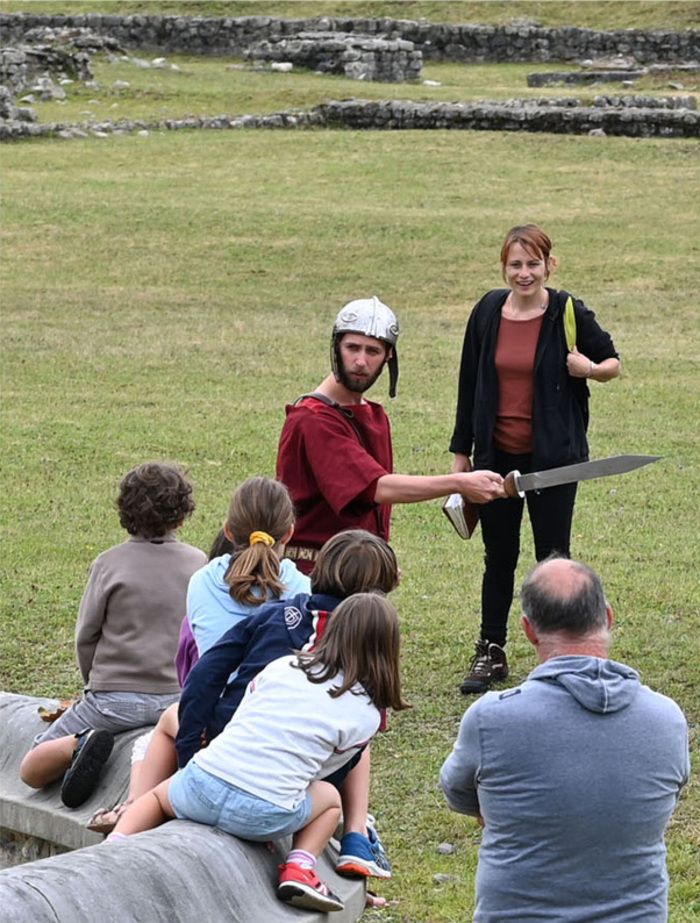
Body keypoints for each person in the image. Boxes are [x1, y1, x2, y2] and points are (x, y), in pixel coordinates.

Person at [109, 593, 409, 915]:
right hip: (266, 815)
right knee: (330, 800)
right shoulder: (366, 714)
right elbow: (325, 773)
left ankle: (114, 845)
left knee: (155, 797)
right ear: (388, 651)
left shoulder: (282, 666)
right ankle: (300, 867)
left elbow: (242, 717)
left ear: (331, 631)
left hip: (201, 785)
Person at [440, 557, 690, 923]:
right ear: (608, 616)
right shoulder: (666, 718)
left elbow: (458, 793)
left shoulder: (491, 719)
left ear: (528, 630)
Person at [449, 225, 621, 693]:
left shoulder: (567, 311)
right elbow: (470, 384)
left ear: (550, 265)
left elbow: (612, 363)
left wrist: (588, 369)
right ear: (504, 267)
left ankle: (562, 654)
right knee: (498, 557)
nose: (524, 273)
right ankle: (491, 650)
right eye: (515, 265)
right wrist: (461, 455)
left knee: (554, 559)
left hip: (554, 462)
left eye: (533, 264)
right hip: (496, 458)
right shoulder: (487, 311)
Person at [87, 477, 309, 832]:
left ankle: (132, 808)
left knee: (163, 727)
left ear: (227, 530)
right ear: (290, 533)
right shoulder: (301, 589)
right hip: (279, 727)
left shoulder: (203, 581)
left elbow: (205, 665)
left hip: (219, 721)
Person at [176, 529, 399, 881]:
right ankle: (355, 836)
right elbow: (344, 749)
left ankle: (131, 809)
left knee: (164, 723)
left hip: (227, 737)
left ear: (318, 570)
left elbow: (205, 675)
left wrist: (189, 754)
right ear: (381, 594)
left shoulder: (276, 613)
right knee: (359, 738)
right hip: (280, 766)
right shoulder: (363, 645)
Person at [19, 462, 207, 808]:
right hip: (174, 699)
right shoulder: (199, 564)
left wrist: (94, 684)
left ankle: (82, 742)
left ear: (125, 511)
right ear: (183, 514)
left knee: (31, 766)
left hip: (112, 701)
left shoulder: (109, 564)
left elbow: (86, 637)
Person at [277, 295, 505, 574]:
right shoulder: (312, 419)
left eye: (372, 351)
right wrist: (458, 483)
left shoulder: (374, 415)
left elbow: (375, 507)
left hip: (355, 568)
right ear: (336, 348)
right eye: (352, 348)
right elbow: (377, 488)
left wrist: (380, 558)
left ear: (388, 356)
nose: (360, 361)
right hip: (313, 575)